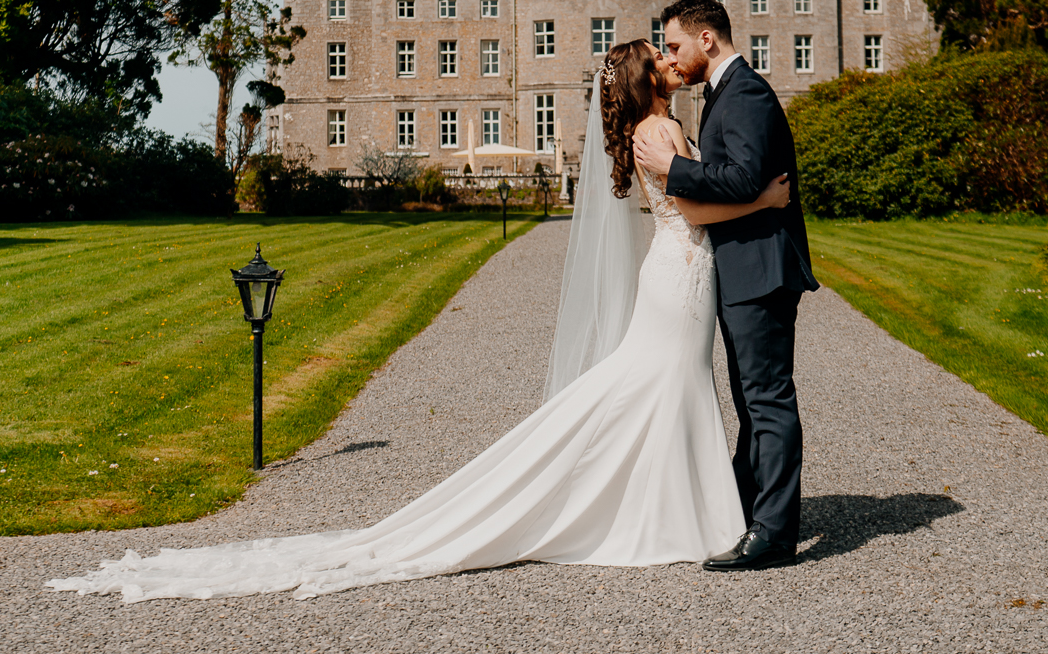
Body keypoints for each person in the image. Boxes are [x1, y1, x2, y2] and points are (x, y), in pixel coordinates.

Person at [46, 38, 790, 601]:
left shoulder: (659, 126)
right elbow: (691, 206)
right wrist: (763, 203)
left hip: (682, 273)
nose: (667, 58)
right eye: (656, 56)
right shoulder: (656, 133)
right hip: (681, 275)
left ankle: (675, 510)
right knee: (657, 386)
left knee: (665, 388)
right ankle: (672, 515)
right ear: (644, 81)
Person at [634, 0, 817, 572]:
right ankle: (747, 511)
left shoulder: (747, 93)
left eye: (674, 45)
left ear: (705, 39)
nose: (671, 56)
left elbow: (742, 179)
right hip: (743, 269)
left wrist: (673, 170)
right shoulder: (722, 95)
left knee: (766, 400)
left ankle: (774, 533)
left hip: (761, 269)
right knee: (751, 400)